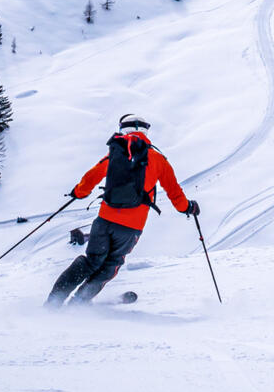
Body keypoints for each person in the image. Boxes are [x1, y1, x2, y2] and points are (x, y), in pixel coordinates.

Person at [45, 115, 199, 307]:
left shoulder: (116, 153)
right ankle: (80, 302)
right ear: (145, 132)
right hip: (131, 227)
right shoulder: (158, 159)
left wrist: (78, 192)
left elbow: (91, 177)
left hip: (105, 220)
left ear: (122, 130)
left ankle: (54, 301)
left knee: (91, 261)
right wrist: (189, 207)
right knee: (111, 265)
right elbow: (174, 193)